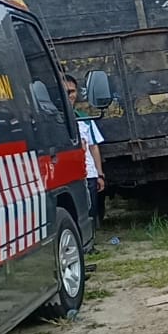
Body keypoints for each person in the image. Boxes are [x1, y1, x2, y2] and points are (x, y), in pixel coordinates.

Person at [65, 74, 105, 225]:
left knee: (91, 212)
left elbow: (93, 147)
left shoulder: (84, 119)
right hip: (67, 176)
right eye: (66, 92)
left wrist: (99, 174)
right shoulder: (51, 119)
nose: (70, 95)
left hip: (88, 174)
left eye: (72, 91)